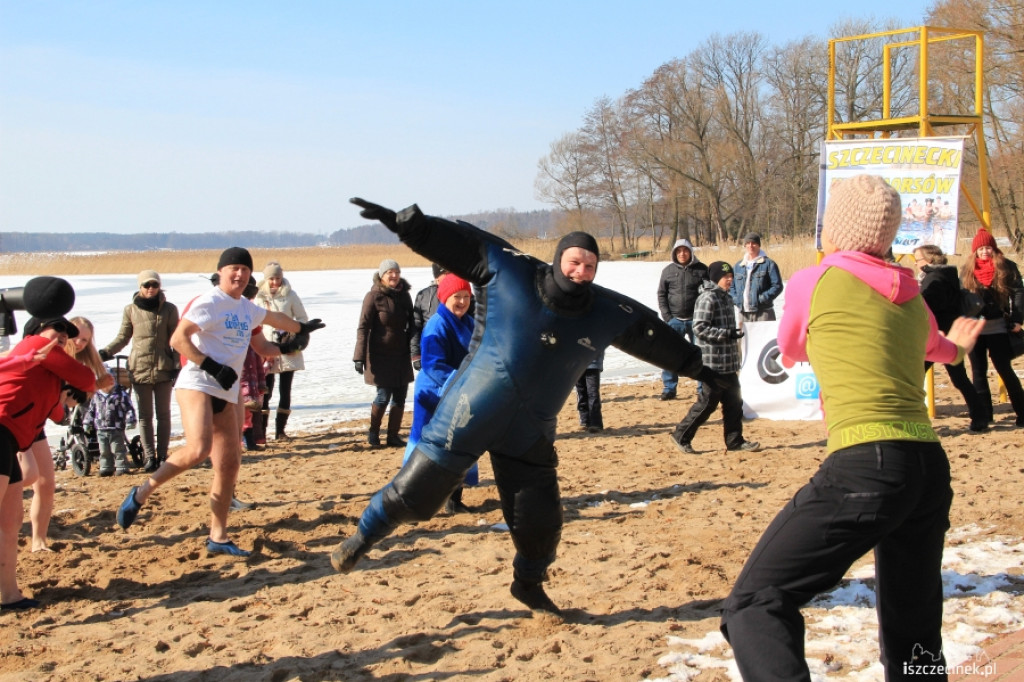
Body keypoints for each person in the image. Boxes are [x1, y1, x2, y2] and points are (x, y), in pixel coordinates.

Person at [333, 198, 722, 616]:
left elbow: (652, 336)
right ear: (558, 260)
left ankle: (528, 585)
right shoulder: (513, 273)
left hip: (530, 432)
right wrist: (410, 227)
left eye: (590, 266)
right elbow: (464, 246)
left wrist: (700, 367)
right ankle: (361, 539)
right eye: (575, 262)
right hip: (469, 411)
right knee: (412, 498)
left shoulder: (604, 310)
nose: (582, 272)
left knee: (542, 525)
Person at [719, 174, 985, 679]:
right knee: (914, 632)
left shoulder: (813, 281)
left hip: (867, 462)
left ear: (833, 229)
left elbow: (793, 348)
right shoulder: (911, 293)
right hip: (928, 466)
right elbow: (942, 350)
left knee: (755, 602)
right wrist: (962, 345)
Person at [115, 247, 324, 557]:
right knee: (198, 449)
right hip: (198, 383)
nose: (239, 274)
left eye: (244, 269)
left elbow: (267, 333)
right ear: (222, 272)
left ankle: (218, 535)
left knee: (228, 464)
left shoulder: (246, 308)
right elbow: (178, 339)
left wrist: (297, 333)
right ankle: (143, 491)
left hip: (227, 390)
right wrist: (212, 366)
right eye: (233, 269)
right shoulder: (209, 302)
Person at [1, 276, 96, 611]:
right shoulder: (35, 350)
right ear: (38, 329)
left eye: (64, 337)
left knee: (9, 522)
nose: (60, 341)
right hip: (1, 429)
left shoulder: (46, 364)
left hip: (13, 436)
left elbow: (55, 413)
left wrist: (65, 397)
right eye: (56, 334)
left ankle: (8, 595)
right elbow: (87, 379)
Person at [19, 315, 114, 553]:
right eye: (77, 337)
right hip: (16, 421)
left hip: (35, 423)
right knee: (28, 475)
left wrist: (84, 392)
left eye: (85, 340)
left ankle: (38, 541)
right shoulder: (48, 355)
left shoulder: (73, 364)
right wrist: (88, 386)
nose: (79, 343)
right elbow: (58, 409)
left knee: (46, 482)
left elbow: (62, 410)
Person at [401, 274, 478, 514]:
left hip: (460, 392)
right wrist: (458, 382)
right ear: (445, 298)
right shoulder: (436, 324)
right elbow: (433, 364)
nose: (463, 302)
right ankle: (414, 496)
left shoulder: (469, 322)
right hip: (435, 394)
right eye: (458, 297)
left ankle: (453, 498)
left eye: (466, 297)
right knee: (430, 446)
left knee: (459, 445)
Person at [670, 262, 760, 454]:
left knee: (734, 403)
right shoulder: (708, 297)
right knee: (707, 404)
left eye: (731, 276)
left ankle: (735, 442)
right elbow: (699, 328)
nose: (730, 279)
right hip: (712, 364)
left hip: (728, 363)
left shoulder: (726, 298)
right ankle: (681, 435)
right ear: (716, 278)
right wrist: (726, 334)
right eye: (726, 276)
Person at [100, 270, 180, 473]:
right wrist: (105, 352)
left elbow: (176, 339)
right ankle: (149, 456)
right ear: (140, 287)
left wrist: (177, 365)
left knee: (164, 414)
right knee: (145, 416)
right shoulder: (130, 310)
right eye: (146, 285)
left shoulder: (169, 310)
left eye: (154, 284)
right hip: (139, 369)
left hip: (163, 367)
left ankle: (162, 455)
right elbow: (123, 337)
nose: (151, 288)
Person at [913, 244, 986, 432]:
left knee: (913, 377)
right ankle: (980, 416)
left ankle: (913, 418)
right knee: (960, 378)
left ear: (928, 260)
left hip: (937, 336)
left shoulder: (933, 279)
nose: (915, 264)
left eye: (917, 260)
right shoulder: (948, 275)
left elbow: (927, 308)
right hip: (949, 334)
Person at [960, 229, 1024, 427]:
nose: (984, 252)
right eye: (980, 248)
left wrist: (1017, 319)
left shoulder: (1006, 267)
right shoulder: (967, 270)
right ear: (975, 251)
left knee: (1004, 369)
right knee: (978, 372)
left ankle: (1022, 413)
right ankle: (984, 416)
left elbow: (1019, 294)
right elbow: (960, 297)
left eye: (988, 247)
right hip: (975, 329)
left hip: (999, 327)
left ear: (994, 248)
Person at [354, 259, 414, 448]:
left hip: (401, 355)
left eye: (396, 272)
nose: (394, 275)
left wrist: (415, 352)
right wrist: (359, 357)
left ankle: (393, 436)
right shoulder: (373, 297)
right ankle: (373, 433)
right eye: (389, 272)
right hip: (380, 356)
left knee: (400, 396)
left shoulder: (405, 296)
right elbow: (363, 327)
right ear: (382, 275)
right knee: (383, 395)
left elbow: (412, 325)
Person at [255, 261, 309, 442]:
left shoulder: (290, 295)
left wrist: (293, 334)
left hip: (287, 349)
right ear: (266, 278)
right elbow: (254, 322)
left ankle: (280, 431)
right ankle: (261, 432)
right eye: (271, 278)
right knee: (265, 392)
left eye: (278, 278)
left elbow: (302, 318)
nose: (275, 282)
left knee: (285, 390)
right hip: (266, 349)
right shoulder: (258, 297)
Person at [656, 238, 708, 400]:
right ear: (674, 253)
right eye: (679, 251)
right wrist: (668, 317)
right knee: (670, 355)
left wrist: (703, 316)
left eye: (685, 250)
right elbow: (662, 294)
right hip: (674, 321)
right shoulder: (668, 271)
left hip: (696, 320)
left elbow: (708, 294)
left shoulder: (702, 270)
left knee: (700, 355)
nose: (682, 254)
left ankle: (702, 389)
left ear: (691, 252)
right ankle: (669, 388)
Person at [83, 375, 137, 476]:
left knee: (118, 449)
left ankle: (122, 466)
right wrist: (87, 422)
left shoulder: (120, 394)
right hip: (101, 428)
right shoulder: (96, 396)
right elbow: (91, 411)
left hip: (116, 427)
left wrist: (131, 419)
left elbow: (128, 408)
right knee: (104, 450)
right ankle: (106, 467)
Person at [730, 233, 783, 322]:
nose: (751, 245)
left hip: (763, 311)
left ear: (759, 245)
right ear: (745, 245)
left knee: (765, 336)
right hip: (743, 312)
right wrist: (736, 299)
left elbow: (777, 286)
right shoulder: (738, 266)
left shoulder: (769, 264)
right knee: (745, 336)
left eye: (754, 243)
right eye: (748, 243)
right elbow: (731, 286)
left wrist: (763, 298)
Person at [409, 263, 445, 371]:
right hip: (430, 352)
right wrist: (415, 355)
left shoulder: (462, 294)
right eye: (445, 274)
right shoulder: (424, 295)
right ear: (437, 277)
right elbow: (415, 326)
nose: (449, 277)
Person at [575, 350, 604, 432]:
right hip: (577, 362)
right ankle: (585, 421)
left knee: (593, 392)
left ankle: (596, 423)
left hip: (593, 363)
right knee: (581, 392)